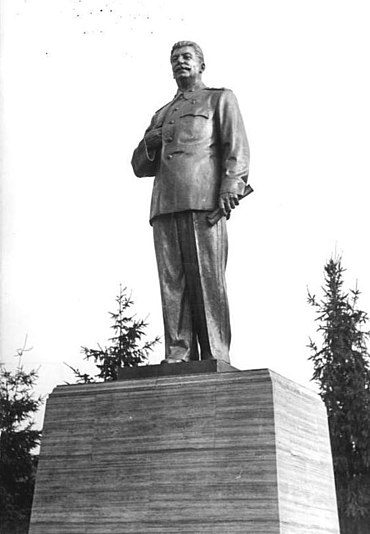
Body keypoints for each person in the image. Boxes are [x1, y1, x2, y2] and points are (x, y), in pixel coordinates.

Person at [131, 41, 250, 364]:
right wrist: (149, 144)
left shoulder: (218, 99)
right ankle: (178, 353)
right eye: (174, 59)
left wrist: (231, 186)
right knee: (172, 284)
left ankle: (215, 354)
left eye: (186, 57)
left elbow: (236, 146)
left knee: (207, 279)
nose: (180, 63)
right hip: (165, 205)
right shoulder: (162, 114)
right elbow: (139, 167)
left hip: (203, 201)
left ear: (201, 64)